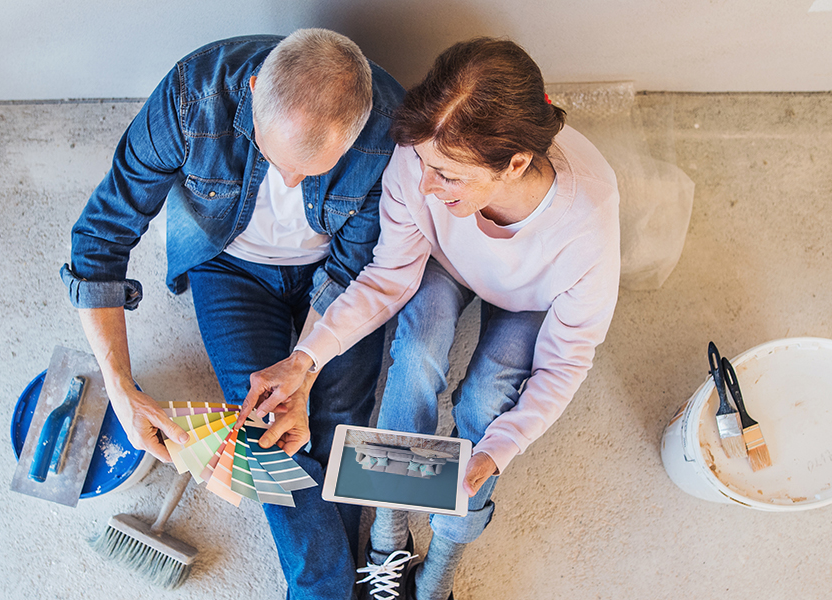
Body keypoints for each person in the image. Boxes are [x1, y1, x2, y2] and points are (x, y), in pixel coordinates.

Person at [242, 38, 621, 600]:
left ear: (515, 164)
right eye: (423, 162)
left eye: (448, 175)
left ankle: (444, 556)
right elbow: (388, 277)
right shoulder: (421, 155)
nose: (423, 184)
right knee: (416, 354)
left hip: (532, 296)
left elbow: (566, 361)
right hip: (443, 261)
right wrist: (307, 358)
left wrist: (501, 449)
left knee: (486, 404)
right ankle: (390, 533)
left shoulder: (584, 229)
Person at [60, 30, 404, 599]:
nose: (291, 181)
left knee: (338, 420)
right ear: (250, 93)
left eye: (314, 170)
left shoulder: (389, 131)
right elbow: (99, 238)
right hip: (230, 269)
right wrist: (120, 387)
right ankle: (330, 587)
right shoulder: (190, 99)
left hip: (338, 277)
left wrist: (306, 367)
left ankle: (328, 585)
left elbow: (351, 269)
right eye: (277, 159)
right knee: (262, 432)